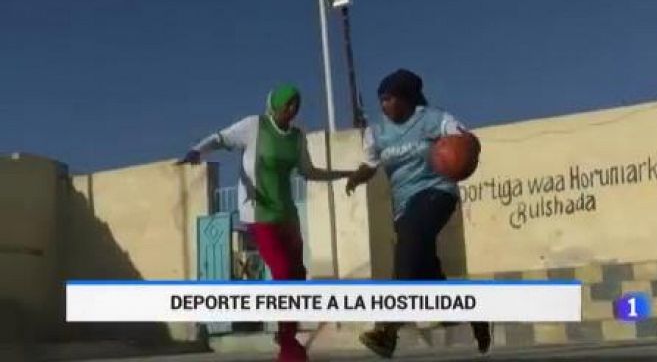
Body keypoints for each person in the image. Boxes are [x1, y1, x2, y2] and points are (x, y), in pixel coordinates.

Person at [178, 84, 351, 362]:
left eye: (297, 104)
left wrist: (344, 174)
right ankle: (288, 344)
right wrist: (198, 151)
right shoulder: (253, 126)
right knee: (282, 273)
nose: (292, 109)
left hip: (287, 214)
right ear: (275, 105)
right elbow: (221, 138)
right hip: (258, 215)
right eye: (288, 103)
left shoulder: (296, 137)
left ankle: (285, 333)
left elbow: (308, 172)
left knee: (296, 277)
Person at [345, 69, 491, 358]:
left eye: (389, 99)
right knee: (425, 272)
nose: (383, 105)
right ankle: (475, 310)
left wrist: (465, 151)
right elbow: (371, 164)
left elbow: (470, 141)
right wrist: (358, 176)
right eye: (381, 100)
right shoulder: (377, 132)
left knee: (408, 248)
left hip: (436, 193)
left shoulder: (433, 119)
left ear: (407, 99)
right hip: (404, 205)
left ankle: (387, 330)